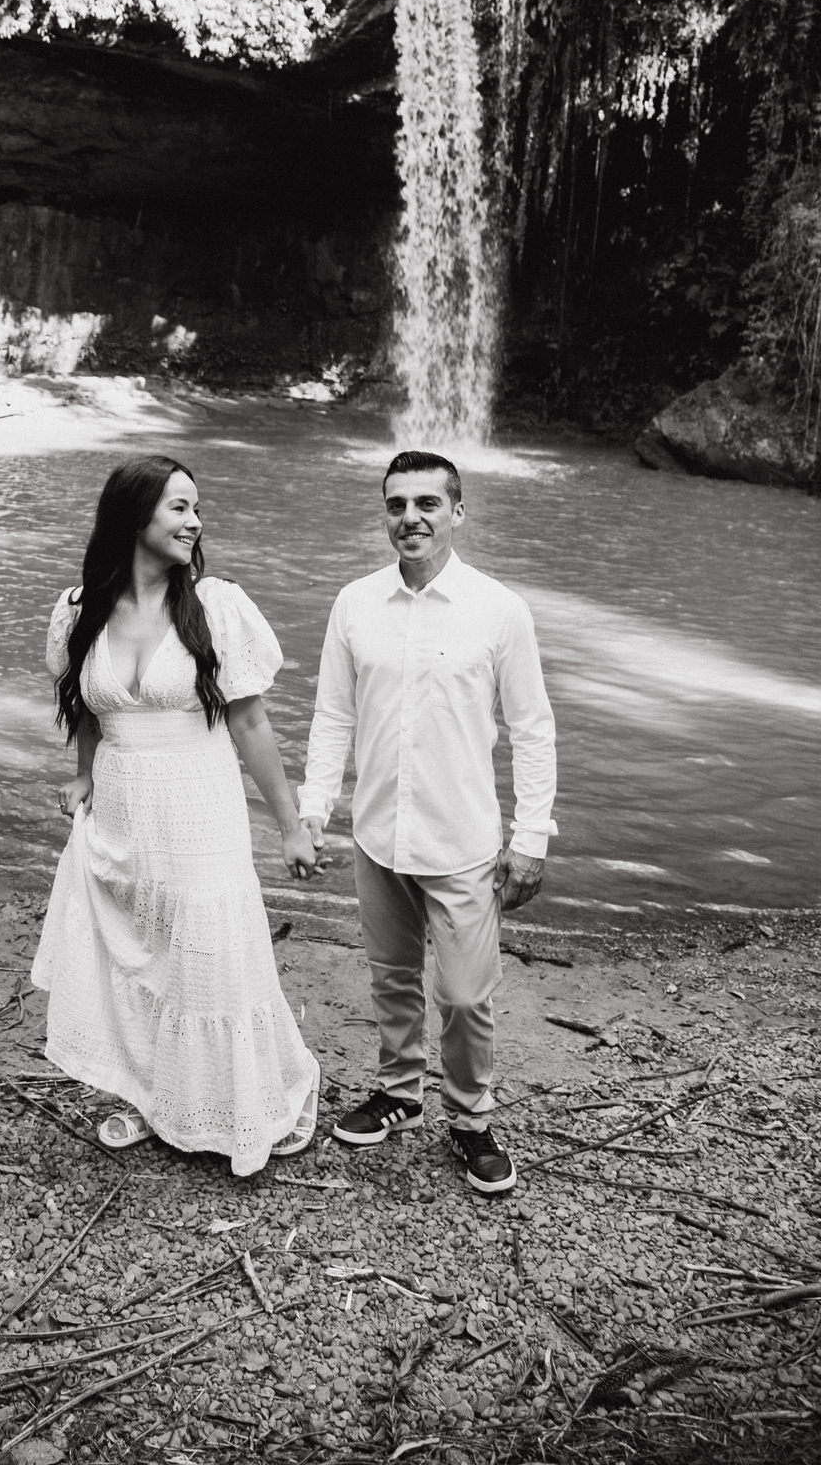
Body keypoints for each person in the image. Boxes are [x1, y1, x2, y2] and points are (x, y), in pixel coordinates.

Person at [33, 453, 322, 1177]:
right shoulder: (78, 609)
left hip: (200, 806)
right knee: (135, 951)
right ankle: (145, 1093)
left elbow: (250, 723)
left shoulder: (215, 606)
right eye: (179, 507)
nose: (195, 522)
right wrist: (82, 774)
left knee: (210, 958)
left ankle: (262, 1099)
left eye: (197, 508)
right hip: (122, 806)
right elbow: (88, 709)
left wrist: (290, 825)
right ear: (135, 516)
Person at [298, 450, 557, 1194]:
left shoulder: (499, 610)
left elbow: (533, 729)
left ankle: (471, 1120)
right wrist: (314, 809)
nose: (410, 518)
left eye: (427, 504)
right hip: (378, 833)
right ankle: (400, 1093)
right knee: (392, 978)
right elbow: (333, 716)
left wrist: (530, 838)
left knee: (468, 997)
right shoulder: (354, 604)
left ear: (457, 513)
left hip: (462, 840)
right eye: (396, 505)